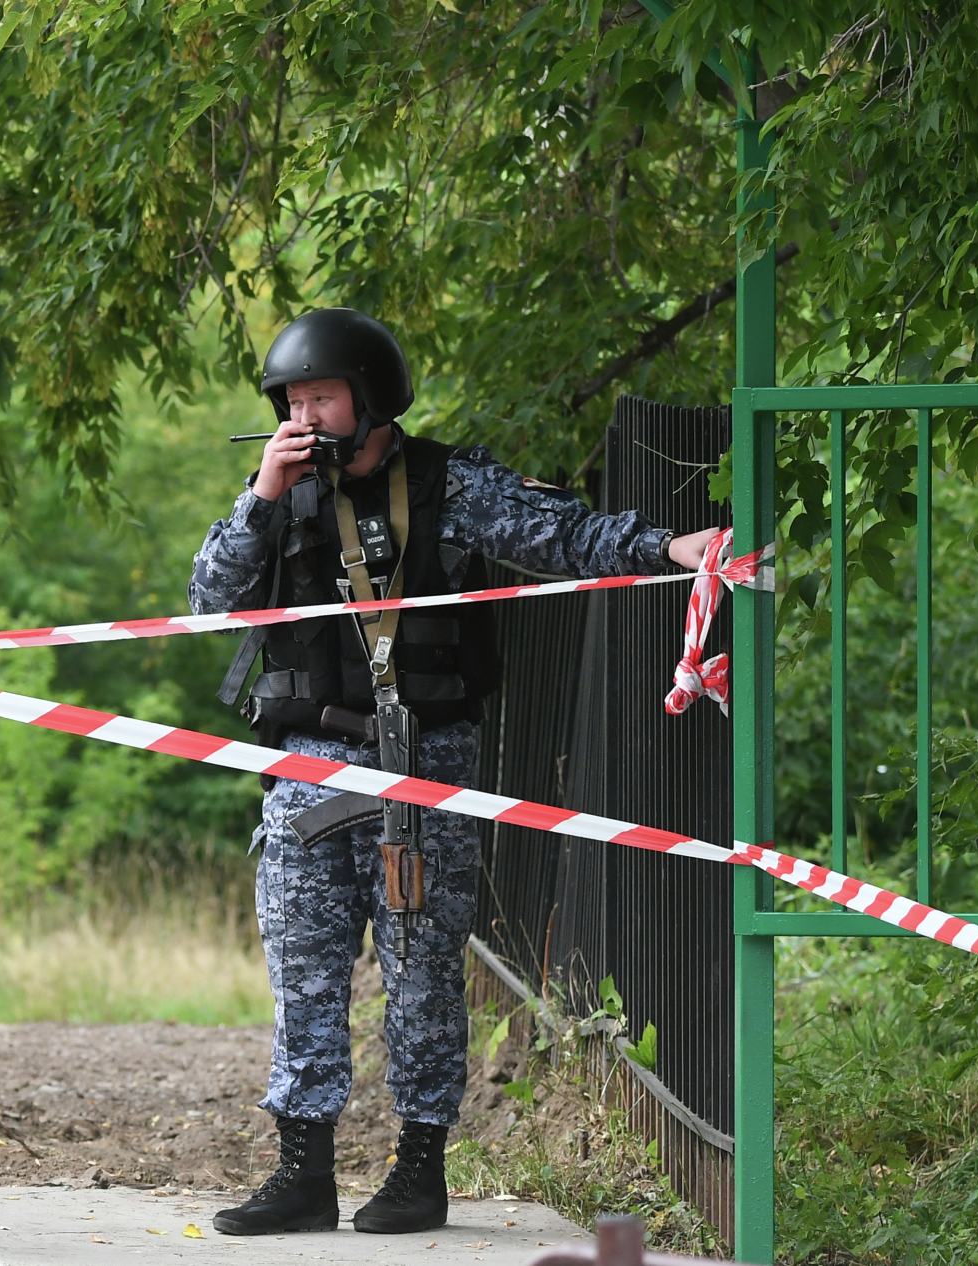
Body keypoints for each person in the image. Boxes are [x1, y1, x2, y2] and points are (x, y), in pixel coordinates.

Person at [191, 309, 716, 1237]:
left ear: (371, 397)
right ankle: (302, 1174)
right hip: (307, 766)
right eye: (293, 399)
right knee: (305, 975)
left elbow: (565, 536)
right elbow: (209, 600)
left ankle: (418, 1170)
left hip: (424, 764)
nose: (305, 413)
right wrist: (262, 496)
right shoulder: (277, 495)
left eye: (323, 396)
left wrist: (670, 550)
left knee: (424, 973)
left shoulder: (449, 485)